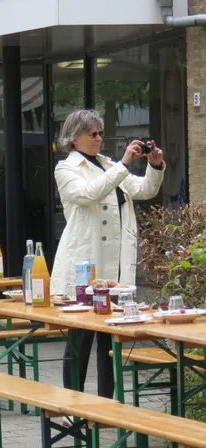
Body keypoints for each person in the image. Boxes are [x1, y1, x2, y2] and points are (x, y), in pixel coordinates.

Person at [52, 109, 165, 399]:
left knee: (109, 338)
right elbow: (90, 193)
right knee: (80, 337)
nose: (99, 139)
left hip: (113, 267)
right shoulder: (66, 168)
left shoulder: (108, 164)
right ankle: (73, 404)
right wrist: (124, 164)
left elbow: (143, 190)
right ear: (75, 138)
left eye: (101, 133)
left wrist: (155, 165)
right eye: (93, 134)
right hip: (85, 264)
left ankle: (105, 406)